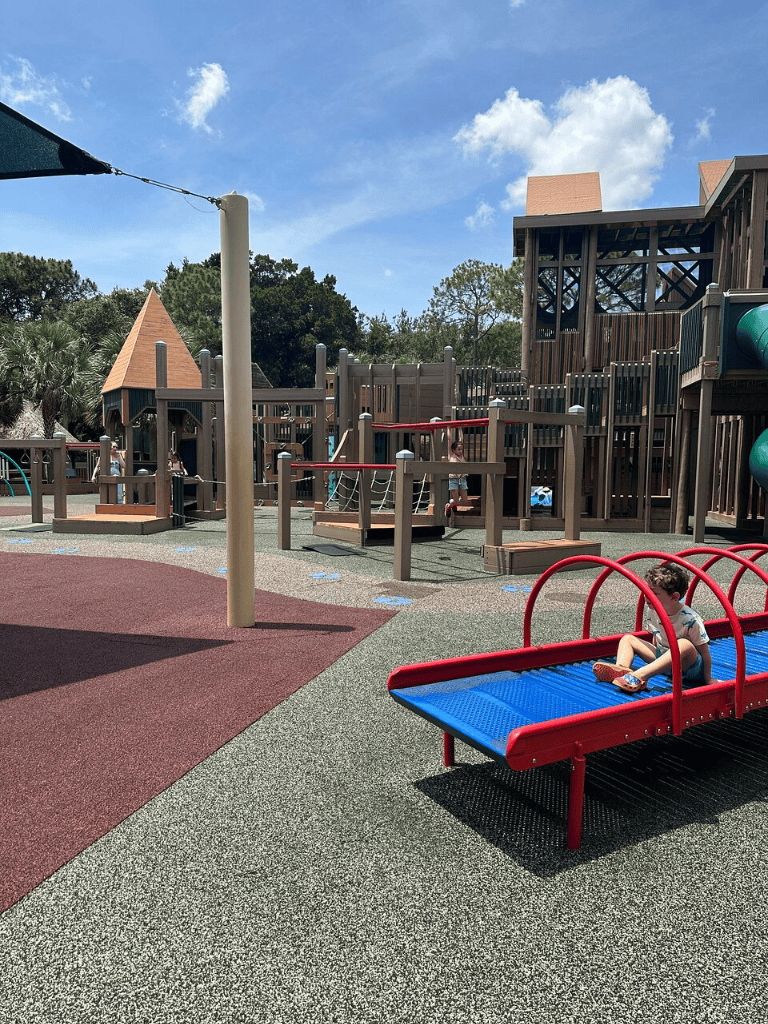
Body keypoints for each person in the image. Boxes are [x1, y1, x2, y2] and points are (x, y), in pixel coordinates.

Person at [592, 562, 711, 694]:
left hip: (688, 669)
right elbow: (657, 636)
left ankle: (640, 675)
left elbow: (705, 653)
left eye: (654, 593)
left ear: (674, 597)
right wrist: (657, 660)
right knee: (628, 639)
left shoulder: (690, 619)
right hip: (665, 660)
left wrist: (708, 679)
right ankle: (621, 669)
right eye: (646, 591)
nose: (646, 597)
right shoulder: (653, 610)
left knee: (683, 644)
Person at [445, 440, 468, 522]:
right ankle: (450, 505)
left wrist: (461, 428)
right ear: (453, 450)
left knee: (464, 500)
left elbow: (461, 438)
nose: (461, 451)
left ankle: (451, 504)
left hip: (462, 478)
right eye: (458, 449)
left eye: (462, 449)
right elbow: (449, 441)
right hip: (454, 479)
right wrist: (448, 428)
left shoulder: (462, 457)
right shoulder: (451, 455)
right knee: (456, 499)